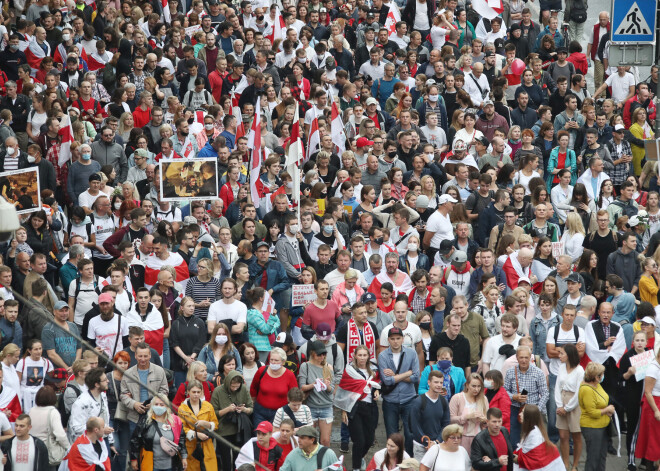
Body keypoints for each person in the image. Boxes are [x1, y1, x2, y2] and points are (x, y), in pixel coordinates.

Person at [334, 345, 380, 471]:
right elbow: (344, 392)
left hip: (370, 408)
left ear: (368, 356)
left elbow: (377, 384)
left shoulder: (374, 369)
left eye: (365, 355)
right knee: (359, 440)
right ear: (354, 356)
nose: (362, 358)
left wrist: (376, 391)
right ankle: (356, 467)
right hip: (355, 408)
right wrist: (344, 410)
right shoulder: (350, 370)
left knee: (369, 440)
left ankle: (359, 458)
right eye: (360, 355)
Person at [378, 327, 420, 455]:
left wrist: (395, 376)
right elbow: (387, 381)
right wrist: (406, 373)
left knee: (410, 434)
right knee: (392, 435)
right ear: (388, 340)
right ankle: (393, 461)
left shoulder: (412, 353)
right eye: (392, 339)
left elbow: (416, 377)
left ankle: (409, 461)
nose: (395, 341)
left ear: (402, 339)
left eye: (398, 338)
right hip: (390, 400)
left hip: (409, 399)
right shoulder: (382, 355)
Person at [503, 345, 549, 447]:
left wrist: (537, 409)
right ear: (517, 357)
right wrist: (514, 397)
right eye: (521, 357)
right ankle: (515, 460)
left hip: (532, 410)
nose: (524, 360)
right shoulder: (510, 372)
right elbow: (504, 390)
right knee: (514, 439)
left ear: (530, 358)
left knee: (533, 440)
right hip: (515, 409)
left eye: (526, 357)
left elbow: (545, 393)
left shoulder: (538, 373)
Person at [129, 395, 187, 471]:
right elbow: (135, 440)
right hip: (151, 466)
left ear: (167, 406)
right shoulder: (145, 421)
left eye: (162, 404)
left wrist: (184, 457)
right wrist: (134, 459)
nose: (158, 406)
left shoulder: (175, 421)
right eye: (156, 404)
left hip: (171, 466)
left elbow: (181, 440)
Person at [211, 370, 254, 471]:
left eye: (237, 386)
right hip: (223, 429)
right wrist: (227, 409)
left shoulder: (243, 389)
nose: (235, 389)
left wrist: (244, 409)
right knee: (225, 459)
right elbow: (213, 414)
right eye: (233, 386)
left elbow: (251, 408)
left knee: (238, 458)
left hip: (239, 429)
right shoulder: (218, 391)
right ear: (227, 382)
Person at [579, 362, 615, 471]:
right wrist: (606, 410)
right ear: (596, 376)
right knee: (593, 458)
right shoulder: (586, 389)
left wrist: (606, 410)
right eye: (602, 374)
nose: (604, 376)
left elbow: (603, 400)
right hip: (592, 427)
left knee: (601, 457)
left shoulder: (597, 384)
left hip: (602, 426)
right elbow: (591, 412)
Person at [250, 347, 299, 425]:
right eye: (271, 360)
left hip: (280, 413)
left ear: (283, 362)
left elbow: (294, 395)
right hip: (260, 412)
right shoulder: (262, 371)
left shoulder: (290, 375)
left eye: (276, 360)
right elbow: (253, 389)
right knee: (260, 436)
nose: (273, 362)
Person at [177, 380, 219, 471]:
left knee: (209, 467)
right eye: (193, 392)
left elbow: (215, 424)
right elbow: (181, 428)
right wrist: (196, 434)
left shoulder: (208, 406)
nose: (196, 394)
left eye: (198, 392)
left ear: (201, 392)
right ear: (188, 392)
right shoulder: (182, 408)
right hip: (190, 445)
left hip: (206, 444)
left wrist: (206, 423)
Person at [409, 370, 451, 460]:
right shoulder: (418, 402)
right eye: (436, 382)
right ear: (429, 383)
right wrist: (427, 442)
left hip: (438, 445)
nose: (439, 385)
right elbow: (415, 426)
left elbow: (446, 424)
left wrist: (436, 442)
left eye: (441, 382)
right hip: (420, 447)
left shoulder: (444, 401)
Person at [634, 343, 660, 468]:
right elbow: (648, 392)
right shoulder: (653, 368)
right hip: (653, 404)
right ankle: (649, 465)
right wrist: (656, 410)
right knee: (653, 439)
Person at [516, 404, 564, 470]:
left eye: (523, 413)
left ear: (529, 418)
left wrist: (513, 457)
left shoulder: (534, 436)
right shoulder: (533, 431)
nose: (519, 414)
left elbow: (529, 460)